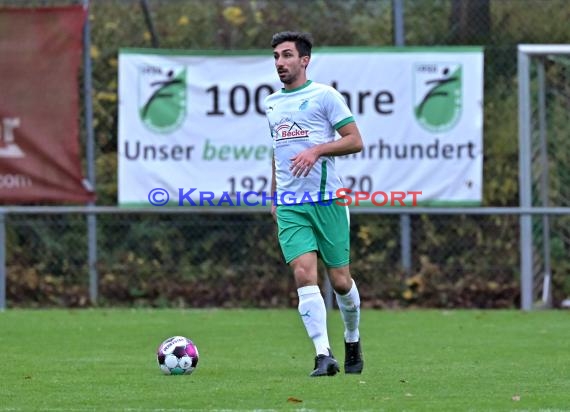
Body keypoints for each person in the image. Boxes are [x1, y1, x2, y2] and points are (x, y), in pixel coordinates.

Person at [264, 31, 364, 377]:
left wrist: (317, 149)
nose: (280, 62)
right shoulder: (272, 104)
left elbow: (355, 140)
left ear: (304, 60)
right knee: (304, 274)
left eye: (287, 55)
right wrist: (274, 194)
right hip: (292, 206)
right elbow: (277, 153)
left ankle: (352, 338)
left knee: (339, 282)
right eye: (276, 56)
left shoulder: (325, 96)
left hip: (328, 202)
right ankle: (323, 354)